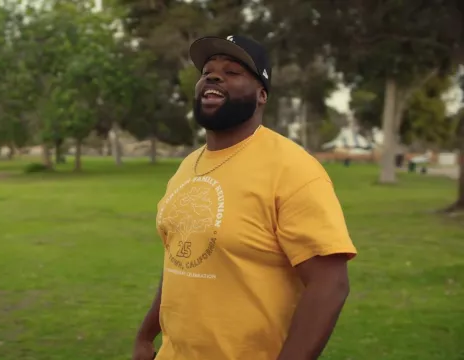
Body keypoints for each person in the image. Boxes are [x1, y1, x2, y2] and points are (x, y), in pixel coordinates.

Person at [131, 35, 358, 360]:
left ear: (261, 94)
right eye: (207, 70)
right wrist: (145, 335)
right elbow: (180, 260)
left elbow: (330, 285)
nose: (213, 75)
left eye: (233, 71)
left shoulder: (292, 169)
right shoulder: (187, 167)